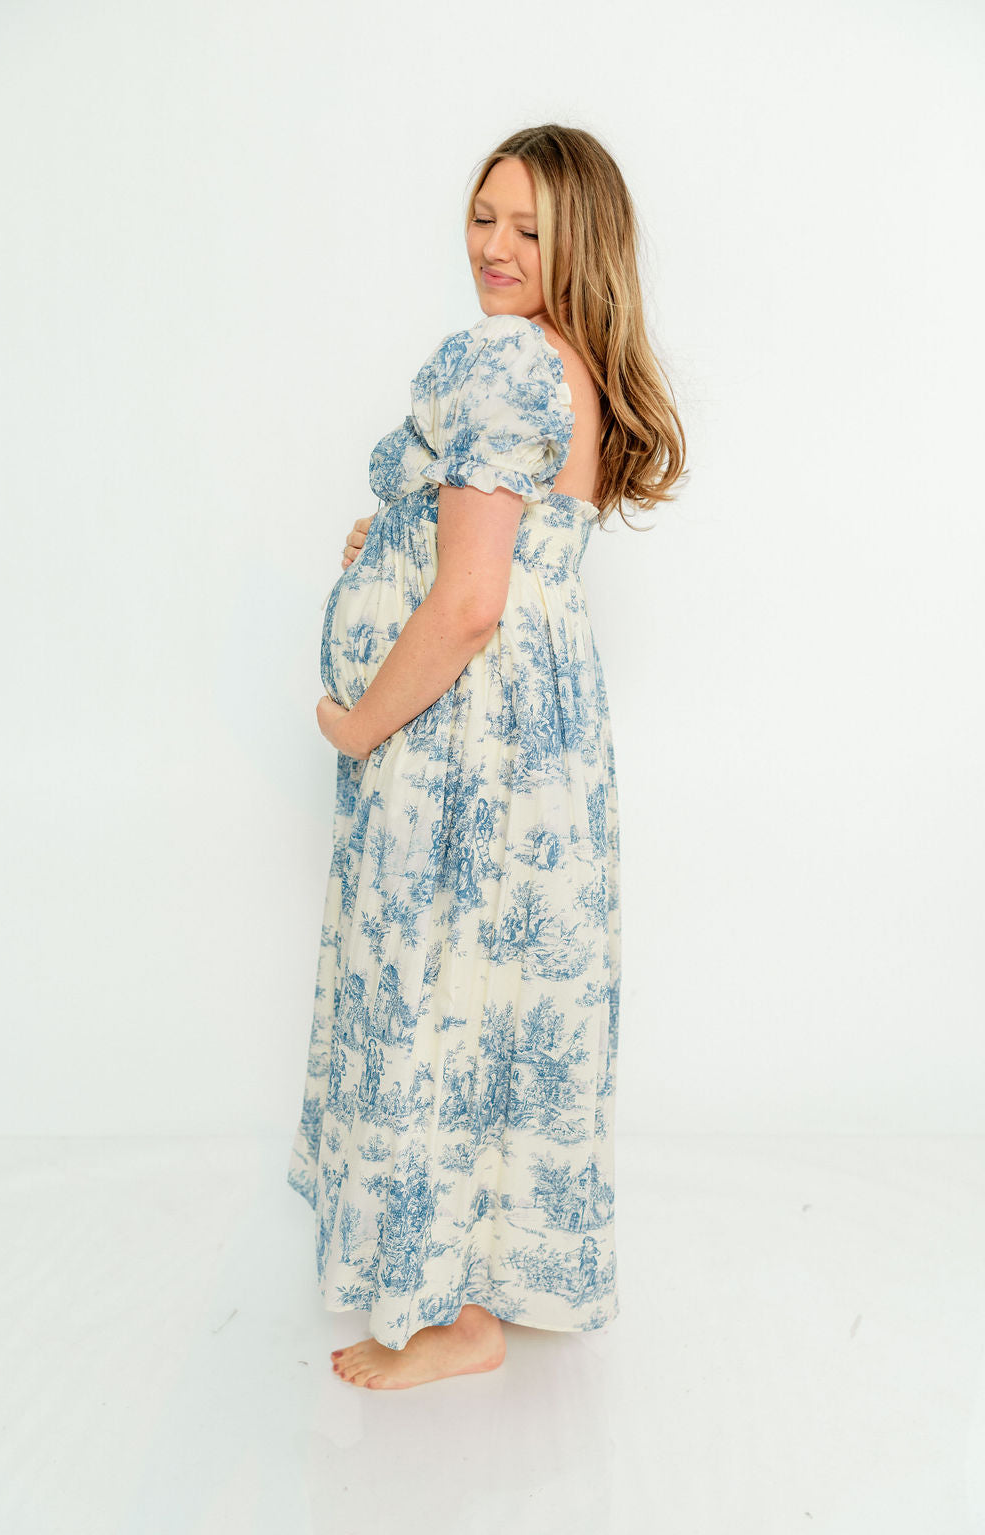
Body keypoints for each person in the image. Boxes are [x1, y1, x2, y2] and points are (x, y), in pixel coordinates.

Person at [287, 123, 687, 1391]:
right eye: (482, 215)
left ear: (581, 244)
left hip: (464, 738)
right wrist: (401, 536)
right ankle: (478, 1296)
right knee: (500, 998)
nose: (495, 247)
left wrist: (357, 723)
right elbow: (508, 554)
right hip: (542, 747)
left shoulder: (505, 358)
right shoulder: (571, 367)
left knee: (438, 990)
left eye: (528, 227)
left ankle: (450, 1313)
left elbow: (470, 605)